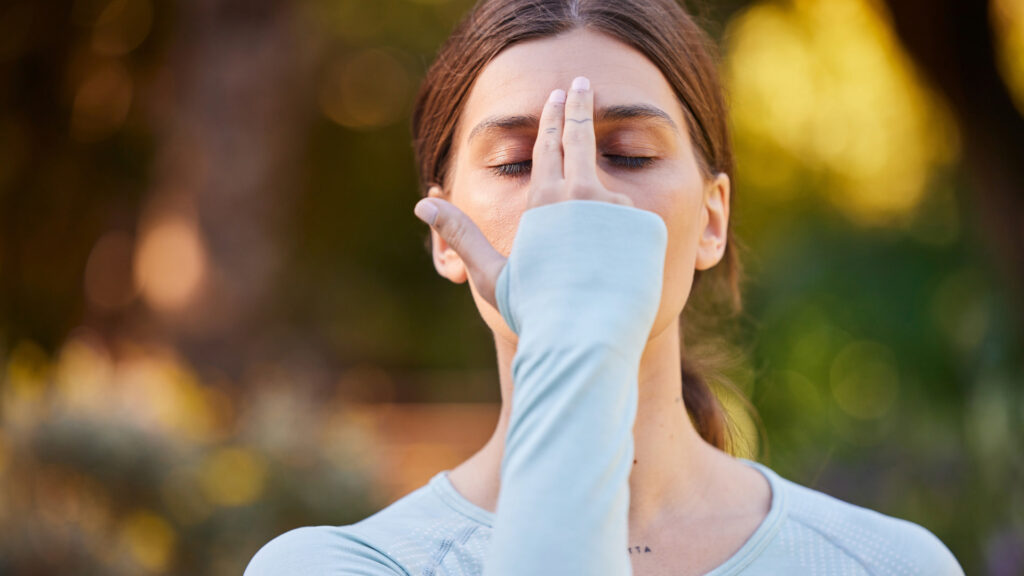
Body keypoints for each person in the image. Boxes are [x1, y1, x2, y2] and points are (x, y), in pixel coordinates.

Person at [245, 0, 965, 574]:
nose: (576, 202)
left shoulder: (888, 564)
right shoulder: (343, 565)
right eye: (518, 164)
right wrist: (577, 339)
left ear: (712, 220)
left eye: (627, 153)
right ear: (444, 236)